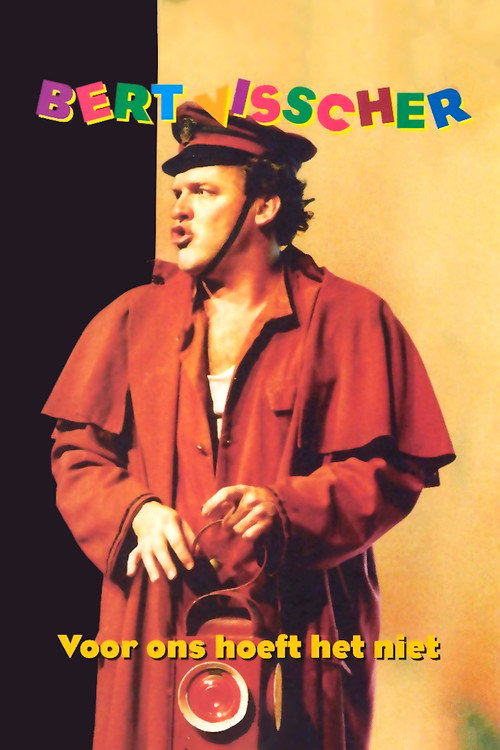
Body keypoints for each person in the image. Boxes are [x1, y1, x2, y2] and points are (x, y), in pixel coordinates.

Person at [43, 102, 455, 750]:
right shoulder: (131, 318)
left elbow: (390, 469)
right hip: (159, 617)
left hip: (296, 622)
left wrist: (288, 506)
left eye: (203, 192)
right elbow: (78, 452)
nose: (179, 211)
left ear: (263, 205)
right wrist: (135, 512)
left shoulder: (350, 317)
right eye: (177, 193)